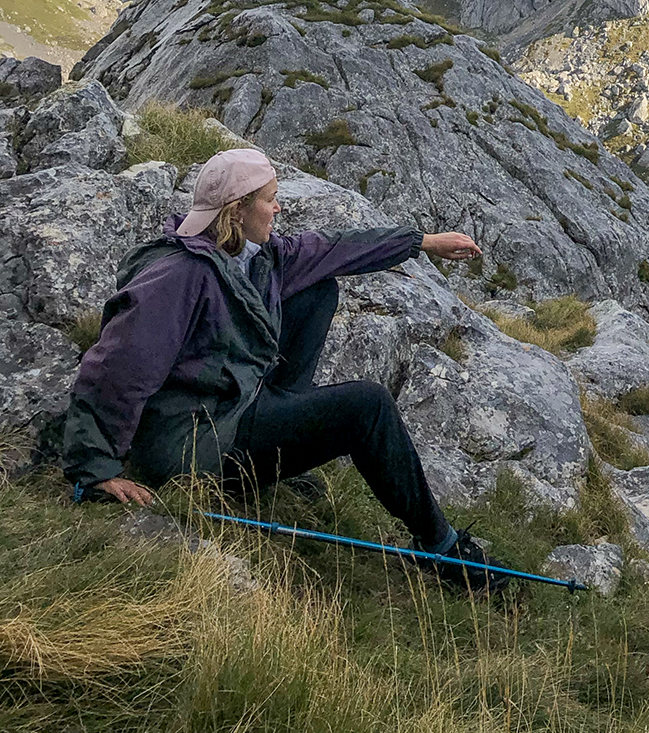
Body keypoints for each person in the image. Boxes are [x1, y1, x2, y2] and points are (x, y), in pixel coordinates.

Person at [62, 145, 508, 594]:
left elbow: (334, 249)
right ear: (237, 210)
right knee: (366, 406)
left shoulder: (257, 256)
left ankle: (274, 456)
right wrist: (96, 468)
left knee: (317, 290)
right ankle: (442, 549)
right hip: (193, 443)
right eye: (269, 198)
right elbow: (116, 369)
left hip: (232, 406)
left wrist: (424, 243)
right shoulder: (181, 275)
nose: (278, 206)